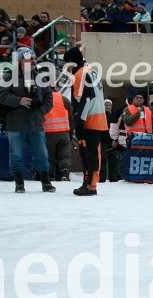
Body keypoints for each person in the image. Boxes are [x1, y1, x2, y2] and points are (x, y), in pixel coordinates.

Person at [0, 47, 55, 192]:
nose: (34, 61)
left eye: (35, 58)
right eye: (31, 59)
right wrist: (18, 100)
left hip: (35, 121)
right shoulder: (10, 77)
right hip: (16, 122)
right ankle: (19, 183)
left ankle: (45, 182)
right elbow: (1, 95)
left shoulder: (40, 77)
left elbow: (49, 98)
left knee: (42, 154)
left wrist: (40, 112)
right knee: (16, 154)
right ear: (21, 60)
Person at [63, 46, 109, 195]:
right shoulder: (91, 71)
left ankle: (91, 185)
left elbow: (84, 101)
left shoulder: (80, 76)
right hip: (96, 120)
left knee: (90, 154)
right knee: (88, 154)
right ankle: (88, 183)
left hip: (89, 121)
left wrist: (79, 124)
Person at [43, 85, 74, 182]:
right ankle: (64, 173)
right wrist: (70, 132)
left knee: (50, 156)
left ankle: (50, 176)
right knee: (64, 155)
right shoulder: (64, 99)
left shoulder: (44, 99)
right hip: (64, 132)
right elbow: (71, 118)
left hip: (48, 132)